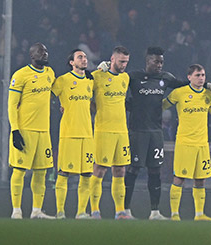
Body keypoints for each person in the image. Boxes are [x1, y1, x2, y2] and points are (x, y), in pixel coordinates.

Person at [125, 46, 190, 219]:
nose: (160, 65)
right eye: (156, 62)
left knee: (155, 171)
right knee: (133, 169)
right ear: (148, 61)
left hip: (155, 132)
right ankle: (125, 210)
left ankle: (155, 211)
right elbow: (115, 85)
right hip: (137, 131)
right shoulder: (134, 77)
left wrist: (206, 85)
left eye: (162, 62)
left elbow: (186, 84)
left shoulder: (166, 78)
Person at [164, 64, 211, 220]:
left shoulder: (208, 94)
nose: (201, 78)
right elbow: (163, 105)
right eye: (197, 75)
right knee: (179, 178)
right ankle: (174, 214)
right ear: (189, 77)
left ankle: (199, 214)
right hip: (185, 143)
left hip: (202, 144)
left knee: (200, 180)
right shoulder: (179, 93)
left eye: (203, 75)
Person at [7, 42, 56, 219]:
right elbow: (12, 105)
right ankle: (16, 210)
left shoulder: (50, 73)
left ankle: (37, 210)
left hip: (43, 131)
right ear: (32, 55)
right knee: (19, 170)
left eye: (46, 51)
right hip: (25, 130)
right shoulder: (20, 75)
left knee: (41, 172)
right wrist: (15, 130)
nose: (45, 54)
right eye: (41, 51)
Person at [89, 46, 134, 219]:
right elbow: (84, 93)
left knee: (120, 170)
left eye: (126, 62)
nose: (124, 65)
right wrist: (95, 109)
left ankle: (120, 211)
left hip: (121, 131)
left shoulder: (125, 78)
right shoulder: (97, 76)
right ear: (112, 59)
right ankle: (94, 210)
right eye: (121, 61)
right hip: (103, 130)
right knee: (100, 170)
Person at [51, 49, 95, 219]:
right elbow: (49, 95)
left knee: (87, 175)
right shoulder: (63, 80)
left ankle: (81, 212)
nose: (84, 59)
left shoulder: (90, 81)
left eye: (85, 57)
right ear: (71, 62)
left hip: (87, 134)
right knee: (64, 173)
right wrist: (58, 106)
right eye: (80, 57)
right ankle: (60, 212)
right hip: (69, 133)